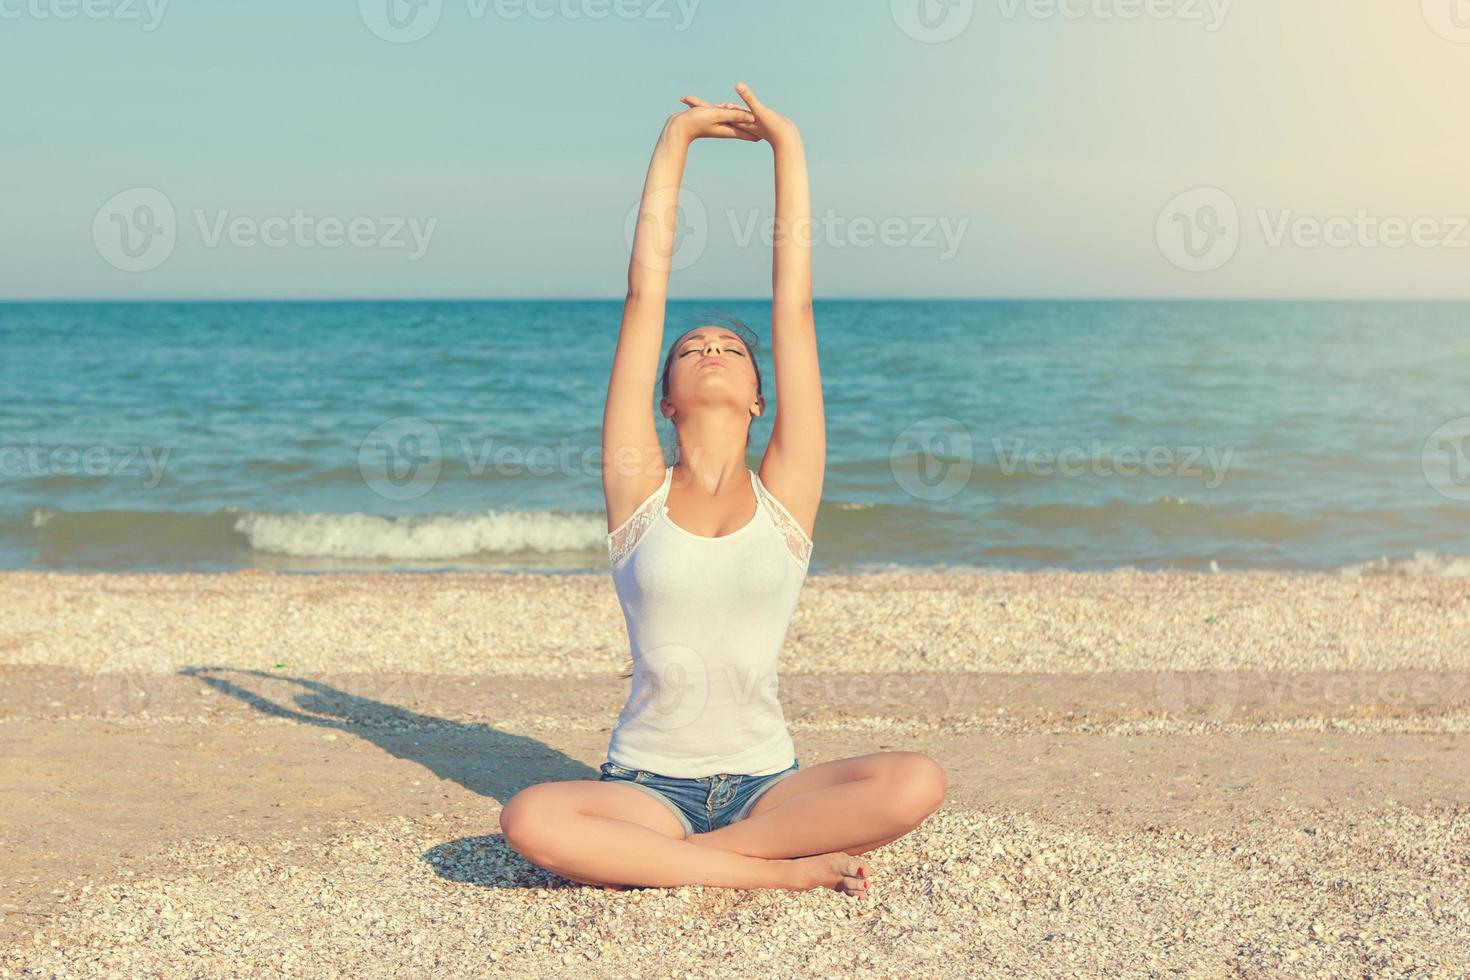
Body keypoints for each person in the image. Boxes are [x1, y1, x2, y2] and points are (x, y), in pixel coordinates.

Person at [499, 83, 947, 897]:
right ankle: (771, 874)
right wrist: (675, 140)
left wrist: (790, 147)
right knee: (530, 818)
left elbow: (795, 308)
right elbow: (644, 297)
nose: (711, 348)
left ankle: (708, 864)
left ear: (758, 399)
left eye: (731, 350)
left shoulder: (787, 492)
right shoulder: (638, 492)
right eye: (693, 348)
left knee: (918, 781)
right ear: (664, 397)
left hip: (769, 784)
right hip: (644, 788)